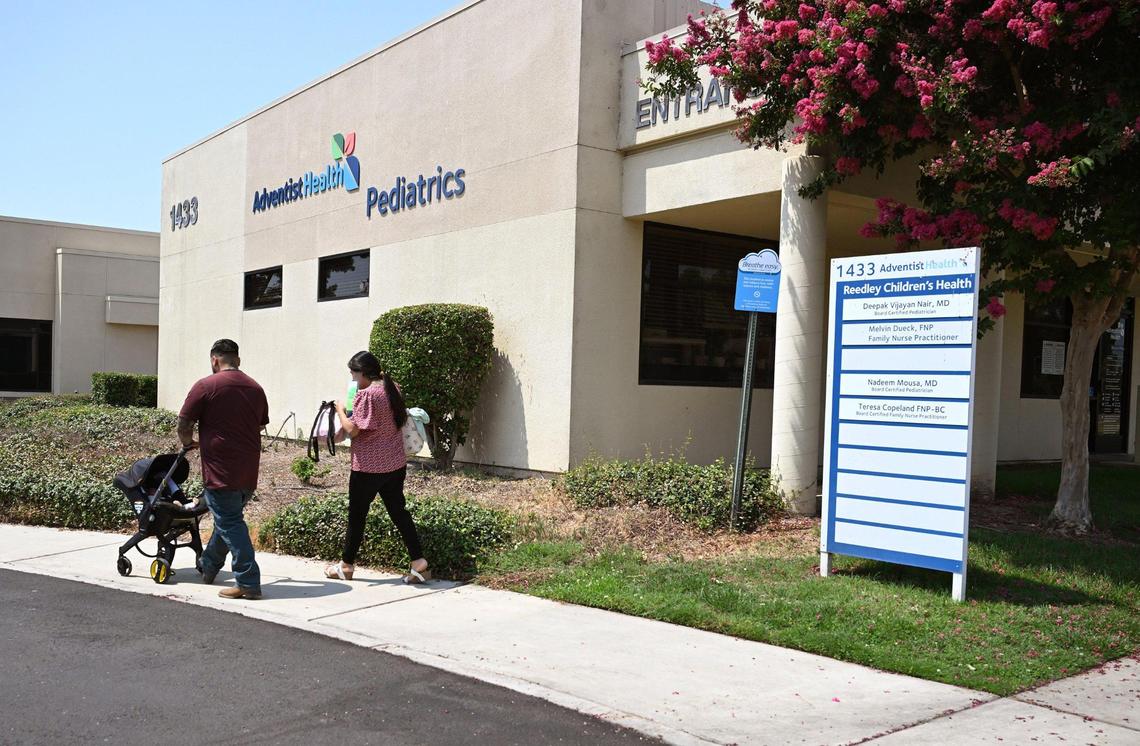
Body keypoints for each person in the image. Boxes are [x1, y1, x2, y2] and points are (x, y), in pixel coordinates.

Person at [325, 351, 430, 584]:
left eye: (354, 374)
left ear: (363, 373)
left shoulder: (367, 395)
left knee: (357, 516)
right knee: (399, 512)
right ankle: (419, 562)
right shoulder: (393, 387)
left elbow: (353, 430)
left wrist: (340, 409)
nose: (353, 379)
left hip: (368, 468)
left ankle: (346, 566)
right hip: (394, 463)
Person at [177, 339, 269, 600]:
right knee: (227, 519)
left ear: (214, 360)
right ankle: (208, 566)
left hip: (220, 470)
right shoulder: (255, 388)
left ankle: (248, 582)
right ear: (237, 359)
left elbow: (184, 423)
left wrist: (189, 443)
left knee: (230, 522)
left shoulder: (206, 386)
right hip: (249, 470)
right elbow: (260, 424)